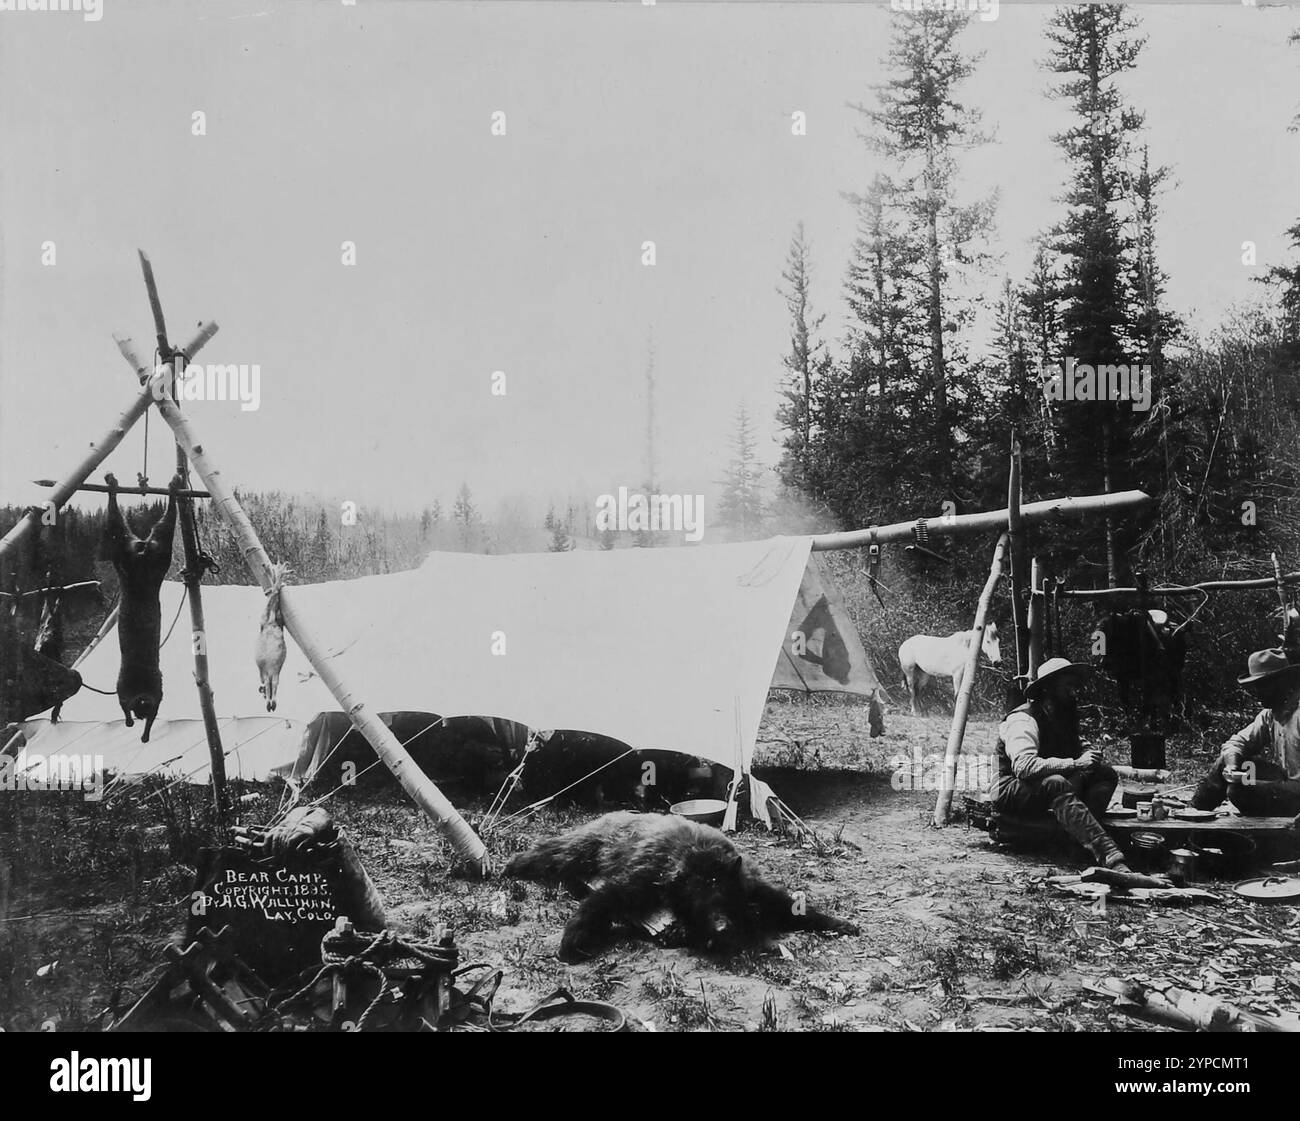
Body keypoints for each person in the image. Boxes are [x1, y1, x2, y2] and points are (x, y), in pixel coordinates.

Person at [992, 657, 1132, 871]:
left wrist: (1087, 754)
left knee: (1104, 774)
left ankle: (1077, 843)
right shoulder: (1023, 720)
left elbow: (1074, 745)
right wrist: (1075, 763)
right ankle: (1109, 854)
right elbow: (1023, 767)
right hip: (1009, 788)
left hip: (1043, 785)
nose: (1074, 692)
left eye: (1074, 686)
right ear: (1048, 689)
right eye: (1068, 686)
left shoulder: (1062, 714)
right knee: (1056, 782)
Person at [1191, 648, 1300, 817]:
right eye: (1255, 686)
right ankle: (1193, 813)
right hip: (1284, 783)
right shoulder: (1270, 715)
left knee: (1239, 791)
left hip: (1296, 794)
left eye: (1263, 686)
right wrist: (1232, 767)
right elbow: (1237, 743)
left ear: (1282, 682)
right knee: (1225, 764)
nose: (1257, 693)